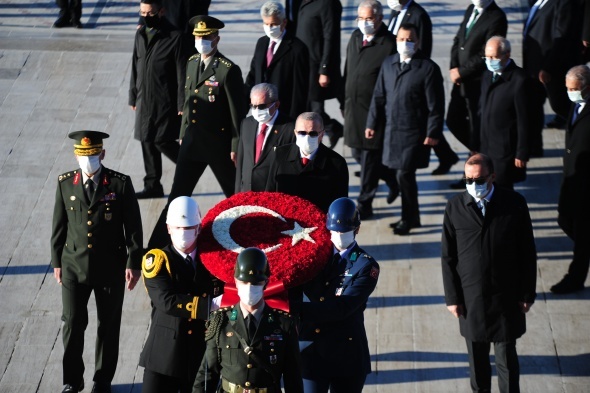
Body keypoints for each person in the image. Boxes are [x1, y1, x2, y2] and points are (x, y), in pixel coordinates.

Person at [50, 131, 143, 393]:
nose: (88, 159)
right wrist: (56, 261)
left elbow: (133, 229)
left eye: (92, 155)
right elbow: (58, 227)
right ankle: (72, 380)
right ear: (76, 155)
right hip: (72, 266)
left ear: (102, 154)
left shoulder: (119, 184)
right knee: (72, 323)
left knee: (108, 325)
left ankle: (102, 380)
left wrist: (133, 264)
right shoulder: (65, 183)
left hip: (110, 267)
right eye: (83, 155)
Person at [148, 15, 247, 249]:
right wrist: (183, 133)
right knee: (176, 198)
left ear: (217, 38)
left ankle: (248, 242)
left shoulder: (227, 70)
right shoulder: (192, 61)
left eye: (206, 36)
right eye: (198, 36)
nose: (201, 40)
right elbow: (188, 102)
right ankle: (156, 247)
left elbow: (237, 114)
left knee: (236, 199)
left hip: (218, 145)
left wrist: (236, 147)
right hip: (192, 143)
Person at [441, 153, 537, 393]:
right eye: (468, 180)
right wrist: (453, 298)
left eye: (480, 179)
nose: (474, 185)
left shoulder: (514, 203)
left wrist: (527, 293)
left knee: (506, 360)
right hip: (471, 299)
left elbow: (527, 251)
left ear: (493, 176)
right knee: (477, 362)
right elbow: (448, 257)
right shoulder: (455, 206)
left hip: (506, 296)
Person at [365, 23, 444, 235]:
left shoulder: (427, 68)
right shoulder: (389, 63)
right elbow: (379, 96)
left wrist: (433, 132)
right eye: (401, 39)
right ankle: (413, 217)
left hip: (414, 133)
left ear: (417, 42)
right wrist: (372, 123)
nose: (405, 43)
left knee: (404, 175)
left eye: (409, 39)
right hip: (392, 130)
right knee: (394, 171)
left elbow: (435, 105)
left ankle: (408, 218)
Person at [294, 197, 379, 393]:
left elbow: (342, 308)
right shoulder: (313, 256)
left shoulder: (366, 265)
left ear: (357, 229)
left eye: (345, 231)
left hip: (346, 355)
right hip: (313, 351)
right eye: (335, 231)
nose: (339, 235)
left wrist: (294, 309)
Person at [140, 196, 223, 392]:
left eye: (187, 228)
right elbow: (167, 301)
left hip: (199, 354)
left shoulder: (212, 261)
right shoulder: (157, 260)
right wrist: (210, 305)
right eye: (177, 228)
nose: (182, 233)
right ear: (168, 228)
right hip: (164, 355)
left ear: (199, 228)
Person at [192, 248, 303, 393]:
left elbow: (293, 378)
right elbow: (207, 374)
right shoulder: (221, 321)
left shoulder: (283, 324)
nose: (250, 288)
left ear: (266, 283)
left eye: (256, 283)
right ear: (236, 282)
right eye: (244, 282)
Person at [386, 0, 458, 175]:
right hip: (396, 69)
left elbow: (423, 47)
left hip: (414, 75)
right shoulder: (396, 11)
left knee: (425, 122)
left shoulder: (419, 15)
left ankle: (447, 156)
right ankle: (447, 156)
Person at [343, 0, 398, 220]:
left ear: (379, 18)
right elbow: (348, 69)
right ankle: (391, 178)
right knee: (357, 153)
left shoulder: (389, 44)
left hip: (374, 113)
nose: (364, 23)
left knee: (368, 160)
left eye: (369, 18)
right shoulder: (356, 37)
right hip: (353, 108)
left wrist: (377, 118)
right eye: (360, 18)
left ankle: (365, 203)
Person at [130, 0, 187, 199]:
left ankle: (189, 164)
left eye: (150, 13)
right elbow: (135, 66)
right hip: (144, 98)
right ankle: (152, 184)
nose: (146, 16)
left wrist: (182, 103)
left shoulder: (175, 37)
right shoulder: (140, 34)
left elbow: (182, 73)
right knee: (146, 140)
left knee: (162, 140)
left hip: (165, 101)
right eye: (142, 12)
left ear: (161, 11)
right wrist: (132, 94)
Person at [447, 0, 507, 189]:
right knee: (453, 120)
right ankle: (477, 149)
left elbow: (486, 52)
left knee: (476, 125)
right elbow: (459, 40)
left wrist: (463, 71)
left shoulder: (496, 17)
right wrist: (454, 67)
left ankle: (476, 167)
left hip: (477, 82)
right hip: (461, 80)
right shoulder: (471, 9)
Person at [551, 65, 590, 294]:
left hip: (587, 185)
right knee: (564, 219)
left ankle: (575, 278)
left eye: (574, 89)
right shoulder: (575, 107)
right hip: (571, 179)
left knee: (583, 233)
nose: (570, 93)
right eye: (568, 89)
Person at [265, 112, 349, 212]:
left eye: (313, 133)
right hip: (285, 222)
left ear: (322, 134)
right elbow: (269, 194)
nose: (307, 137)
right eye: (302, 133)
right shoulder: (279, 155)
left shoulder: (337, 163)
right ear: (295, 133)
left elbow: (340, 206)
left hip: (318, 223)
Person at [476, 36, 531, 189]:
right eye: (487, 57)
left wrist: (522, 152)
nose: (489, 60)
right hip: (486, 145)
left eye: (494, 56)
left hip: (505, 149)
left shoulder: (519, 80)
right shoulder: (487, 75)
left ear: (507, 55)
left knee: (503, 190)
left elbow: (524, 119)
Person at [522, 0, 583, 130]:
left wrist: (548, 67)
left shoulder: (564, 3)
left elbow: (562, 36)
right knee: (534, 106)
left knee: (561, 105)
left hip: (550, 69)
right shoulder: (540, 2)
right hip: (535, 66)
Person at [245, 1, 310, 120]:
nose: (269, 28)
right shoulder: (261, 43)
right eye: (266, 24)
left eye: (274, 24)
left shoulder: (297, 49)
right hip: (261, 110)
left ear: (284, 22)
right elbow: (253, 74)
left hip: (283, 112)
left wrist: (294, 119)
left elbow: (300, 90)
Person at [296, 0, 344, 148]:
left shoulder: (327, 4)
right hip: (304, 65)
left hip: (316, 66)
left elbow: (330, 37)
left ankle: (330, 130)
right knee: (308, 106)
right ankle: (332, 129)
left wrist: (324, 69)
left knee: (314, 108)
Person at [235, 83, 295, 193]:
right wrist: (237, 193)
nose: (257, 110)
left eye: (262, 106)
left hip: (273, 193)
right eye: (253, 106)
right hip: (247, 192)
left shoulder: (290, 128)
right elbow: (242, 161)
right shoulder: (247, 124)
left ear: (276, 105)